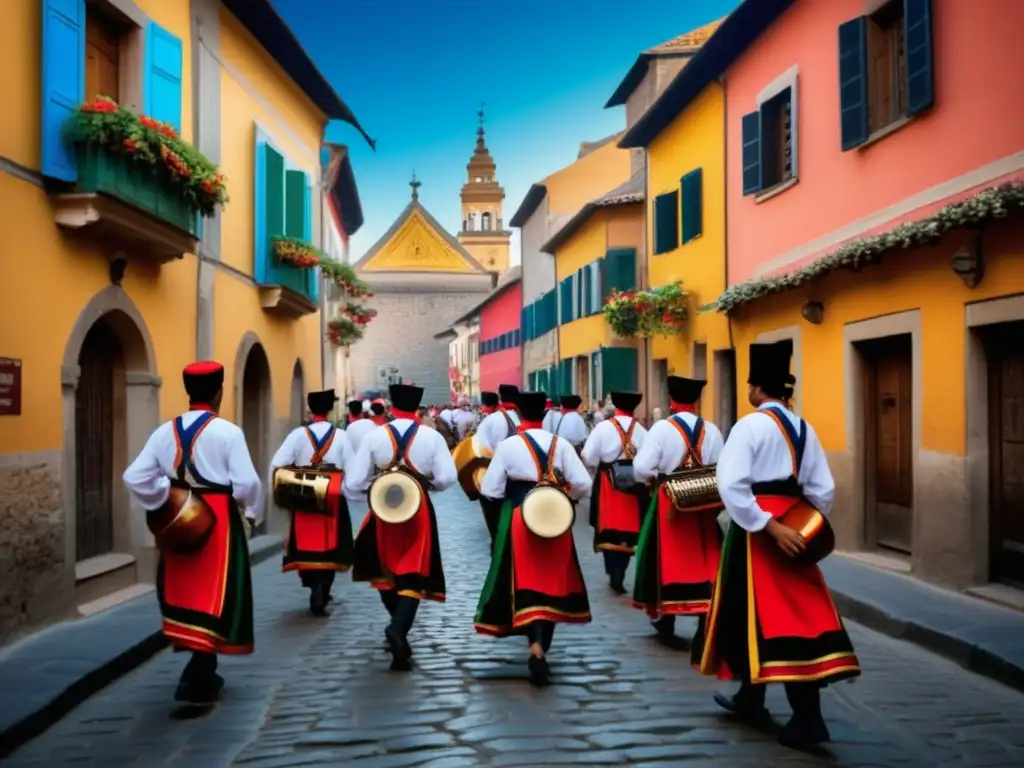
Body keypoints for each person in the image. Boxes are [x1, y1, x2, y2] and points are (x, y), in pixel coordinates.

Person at [693, 341, 860, 752]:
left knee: (757, 615)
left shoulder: (748, 427)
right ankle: (753, 697)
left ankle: (806, 717)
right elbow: (822, 490)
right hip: (795, 525)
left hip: (757, 534)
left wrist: (766, 525)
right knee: (797, 613)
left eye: (750, 384)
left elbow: (731, 485)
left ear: (756, 389)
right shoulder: (804, 428)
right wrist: (800, 526)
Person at [122, 361, 262, 704]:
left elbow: (133, 476)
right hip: (218, 518)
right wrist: (253, 511)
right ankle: (197, 673)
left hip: (179, 513)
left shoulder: (163, 432)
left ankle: (203, 667)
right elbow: (247, 483)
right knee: (219, 588)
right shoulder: (228, 432)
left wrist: (164, 500)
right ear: (218, 392)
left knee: (184, 585)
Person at [474, 391, 592, 686]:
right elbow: (582, 483)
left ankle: (535, 646)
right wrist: (567, 497)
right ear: (544, 413)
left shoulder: (508, 446)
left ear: (518, 413)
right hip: (555, 514)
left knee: (525, 581)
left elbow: (490, 490)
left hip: (519, 514)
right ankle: (541, 646)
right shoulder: (560, 444)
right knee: (550, 581)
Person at [345, 383, 457, 671]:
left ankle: (397, 625)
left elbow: (354, 483)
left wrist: (371, 491)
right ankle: (398, 629)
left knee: (383, 568)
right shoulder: (431, 437)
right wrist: (429, 485)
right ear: (418, 407)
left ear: (392, 407)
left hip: (383, 507)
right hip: (417, 508)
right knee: (415, 571)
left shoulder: (375, 436)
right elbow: (448, 477)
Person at [631, 377, 725, 641]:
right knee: (705, 552)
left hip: (669, 498)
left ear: (671, 400)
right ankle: (705, 616)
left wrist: (656, 476)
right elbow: (722, 466)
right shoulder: (712, 430)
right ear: (695, 401)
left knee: (665, 554)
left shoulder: (662, 429)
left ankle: (667, 616)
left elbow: (641, 468)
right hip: (703, 499)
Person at [270, 389, 354, 616]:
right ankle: (323, 589)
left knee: (306, 545)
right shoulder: (341, 436)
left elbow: (278, 463)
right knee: (331, 548)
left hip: (304, 496)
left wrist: (284, 489)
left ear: (310, 409)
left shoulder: (298, 435)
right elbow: (352, 470)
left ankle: (313, 585)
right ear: (329, 410)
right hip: (333, 496)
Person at [581, 390, 649, 594]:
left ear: (616, 406)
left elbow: (588, 456)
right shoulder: (642, 431)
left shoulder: (603, 428)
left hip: (608, 482)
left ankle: (613, 571)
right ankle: (621, 569)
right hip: (634, 483)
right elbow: (649, 461)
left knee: (607, 524)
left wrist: (600, 466)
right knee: (630, 527)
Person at [473, 384, 521, 542]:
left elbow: (480, 449)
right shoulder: (524, 417)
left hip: (498, 477)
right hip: (525, 481)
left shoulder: (491, 420)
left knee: (496, 523)